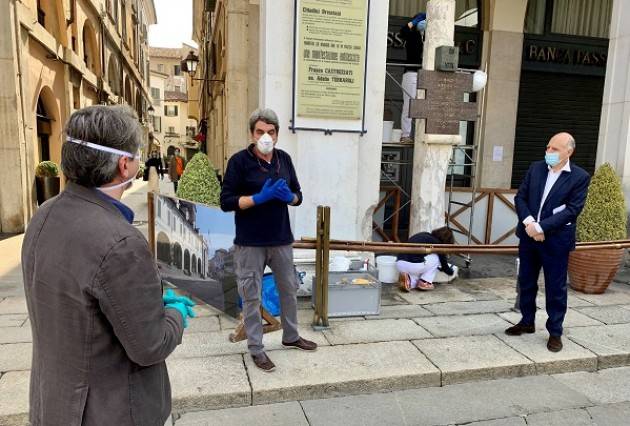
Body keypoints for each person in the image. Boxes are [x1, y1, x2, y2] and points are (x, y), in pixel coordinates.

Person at [21, 105, 195, 425]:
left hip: (55, 405)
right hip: (111, 411)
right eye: (136, 153)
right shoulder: (120, 242)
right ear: (124, 164)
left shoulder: (44, 215)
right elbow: (151, 345)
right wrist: (175, 315)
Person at [220, 108, 317, 372]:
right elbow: (226, 201)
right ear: (252, 134)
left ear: (277, 134)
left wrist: (290, 198)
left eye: (271, 132)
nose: (266, 136)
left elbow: (299, 195)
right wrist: (256, 199)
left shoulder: (283, 159)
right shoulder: (239, 162)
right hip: (250, 242)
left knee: (289, 289)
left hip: (281, 239)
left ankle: (291, 336)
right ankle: (256, 348)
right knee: (251, 295)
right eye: (260, 132)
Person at [506, 132, 589, 353]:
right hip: (528, 237)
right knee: (526, 282)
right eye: (547, 147)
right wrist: (531, 223)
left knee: (556, 288)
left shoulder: (579, 177)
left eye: (555, 149)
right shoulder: (536, 168)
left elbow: (572, 210)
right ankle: (527, 321)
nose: (549, 152)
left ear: (568, 152)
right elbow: (520, 198)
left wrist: (542, 228)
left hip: (556, 241)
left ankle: (555, 332)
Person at [396, 226, 455, 291]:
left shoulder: (425, 235)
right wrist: (451, 272)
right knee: (437, 258)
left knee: (417, 273)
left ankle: (408, 282)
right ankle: (425, 282)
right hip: (412, 265)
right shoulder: (438, 244)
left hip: (399, 263)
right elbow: (444, 266)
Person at [399, 12, 426, 143]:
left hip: (424, 75)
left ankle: (421, 134)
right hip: (411, 73)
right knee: (409, 106)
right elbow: (402, 32)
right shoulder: (412, 35)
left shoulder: (426, 37)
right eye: (422, 21)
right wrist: (414, 21)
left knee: (423, 106)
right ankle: (405, 135)